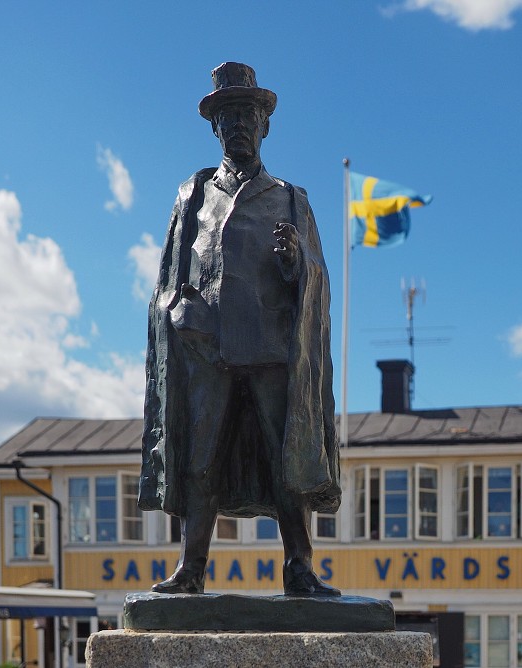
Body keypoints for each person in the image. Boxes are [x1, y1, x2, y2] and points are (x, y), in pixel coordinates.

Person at [138, 62, 340, 597]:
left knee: (287, 458)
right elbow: (170, 276)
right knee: (201, 458)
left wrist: (298, 262)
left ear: (266, 125)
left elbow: (317, 277)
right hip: (209, 350)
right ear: (215, 127)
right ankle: (191, 569)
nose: (240, 125)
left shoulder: (292, 199)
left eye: (248, 114)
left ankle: (300, 567)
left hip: (272, 350)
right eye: (229, 116)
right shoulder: (194, 194)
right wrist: (181, 314)